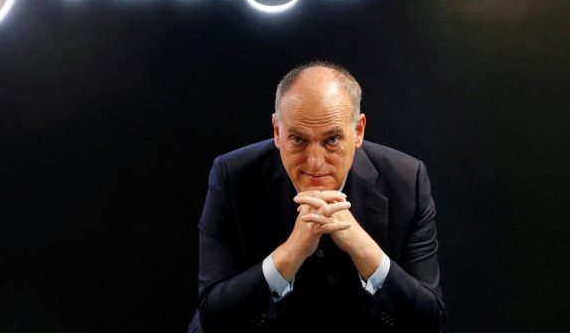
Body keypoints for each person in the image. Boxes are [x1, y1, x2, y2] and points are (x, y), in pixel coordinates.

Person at [188, 62, 446, 332]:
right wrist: (290, 253)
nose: (314, 162)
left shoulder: (407, 180)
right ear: (277, 131)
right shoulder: (232, 176)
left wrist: (365, 250)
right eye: (297, 139)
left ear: (358, 131)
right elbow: (212, 317)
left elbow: (430, 320)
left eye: (332, 139)